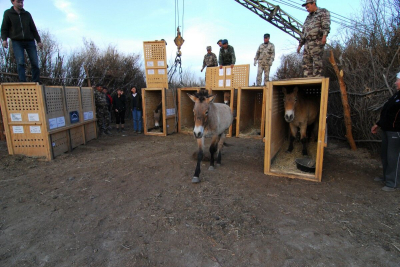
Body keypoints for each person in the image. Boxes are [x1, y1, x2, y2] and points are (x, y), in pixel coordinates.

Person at [371, 72, 400, 192]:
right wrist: (378, 124)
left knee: (394, 157)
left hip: (396, 131)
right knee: (385, 155)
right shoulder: (396, 96)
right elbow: (387, 112)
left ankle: (392, 183)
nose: (395, 82)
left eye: (397, 80)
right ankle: (386, 177)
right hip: (387, 129)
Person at [1, 0, 43, 83]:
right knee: (20, 62)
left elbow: (33, 28)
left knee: (35, 62)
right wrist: (4, 40)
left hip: (29, 41)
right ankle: (22, 81)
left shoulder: (27, 14)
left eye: (22, 2)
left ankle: (36, 81)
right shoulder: (8, 13)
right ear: (13, 2)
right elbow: (4, 28)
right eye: (18, 2)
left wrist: (38, 41)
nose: (21, 4)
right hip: (17, 41)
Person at [297, 0, 330, 77]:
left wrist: (324, 37)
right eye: (306, 7)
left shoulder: (323, 12)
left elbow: (326, 25)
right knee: (306, 64)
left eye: (308, 7)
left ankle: (317, 82)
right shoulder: (308, 17)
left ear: (313, 3)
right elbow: (304, 31)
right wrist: (300, 45)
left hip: (317, 41)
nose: (307, 9)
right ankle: (308, 82)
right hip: (307, 43)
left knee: (317, 63)